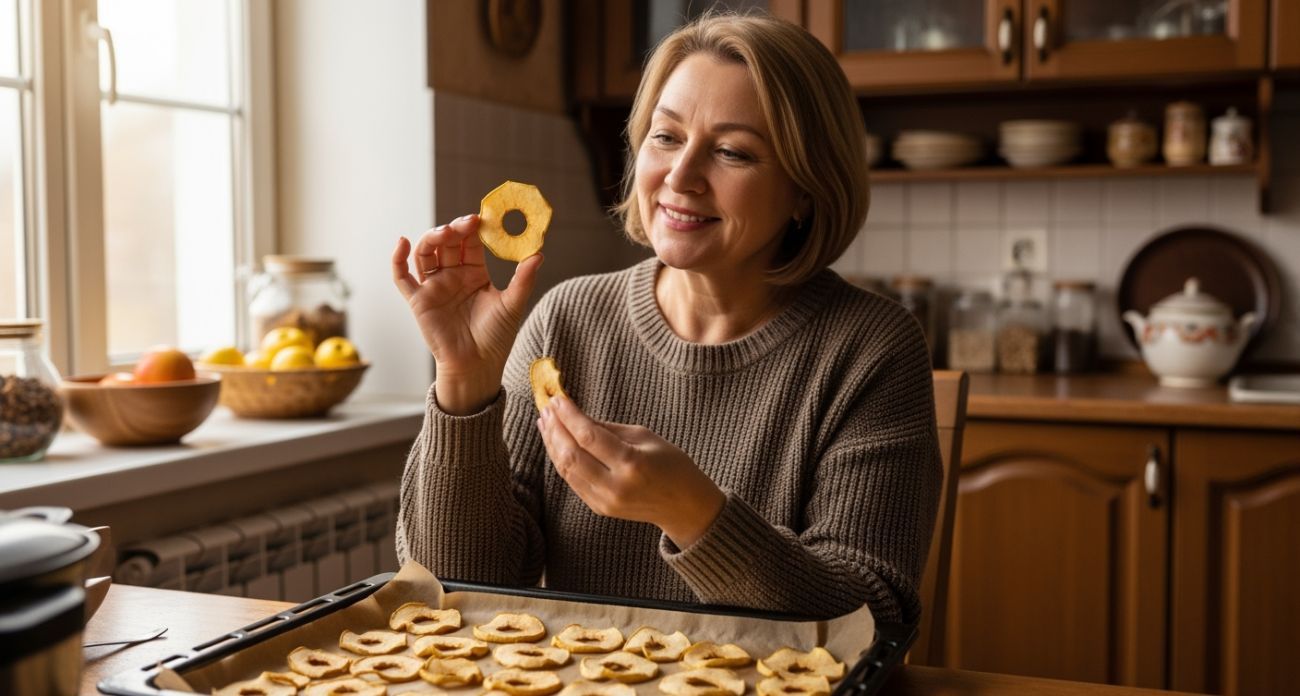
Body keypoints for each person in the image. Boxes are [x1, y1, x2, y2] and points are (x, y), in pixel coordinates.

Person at [391, 13, 941, 623]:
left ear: (807, 190)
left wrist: (692, 511)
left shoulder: (873, 349)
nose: (680, 177)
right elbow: (456, 591)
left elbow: (872, 618)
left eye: (732, 151)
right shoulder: (565, 322)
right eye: (666, 137)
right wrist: (463, 384)